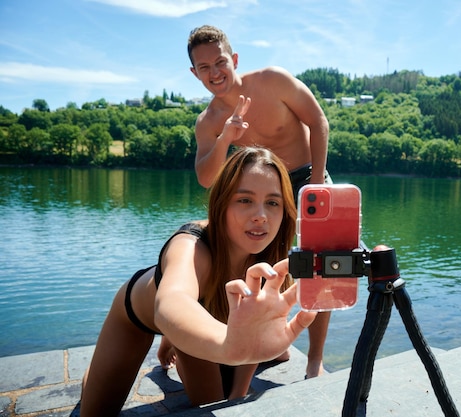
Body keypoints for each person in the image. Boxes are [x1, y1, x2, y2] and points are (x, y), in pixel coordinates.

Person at [80, 147, 317, 417]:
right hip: (138, 315)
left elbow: (253, 335)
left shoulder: (272, 259)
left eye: (273, 203)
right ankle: (96, 373)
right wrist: (229, 347)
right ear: (221, 203)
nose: (260, 215)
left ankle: (173, 339)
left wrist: (237, 397)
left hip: (207, 323)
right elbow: (173, 303)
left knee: (228, 398)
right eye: (244, 200)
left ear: (285, 210)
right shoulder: (190, 245)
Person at [187, 25, 333, 378]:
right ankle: (270, 343)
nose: (215, 73)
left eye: (220, 62)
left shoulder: (273, 80)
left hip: (305, 177)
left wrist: (315, 185)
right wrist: (226, 137)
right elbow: (207, 177)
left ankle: (314, 359)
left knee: (323, 267)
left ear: (234, 59)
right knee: (261, 267)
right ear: (194, 73)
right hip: (262, 193)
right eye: (204, 68)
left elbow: (318, 121)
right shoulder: (208, 122)